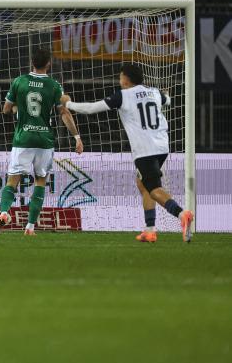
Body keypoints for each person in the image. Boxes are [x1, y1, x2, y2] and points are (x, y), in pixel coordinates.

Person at [62, 63, 193, 242]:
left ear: (125, 79)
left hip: (145, 149)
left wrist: (67, 103)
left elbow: (91, 109)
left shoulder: (123, 96)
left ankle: (181, 214)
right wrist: (166, 93)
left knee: (154, 189)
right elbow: (167, 99)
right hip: (162, 146)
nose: (119, 79)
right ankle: (149, 230)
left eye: (120, 76)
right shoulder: (154, 92)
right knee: (142, 183)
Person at [0, 49, 83, 237]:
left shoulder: (19, 81)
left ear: (32, 62)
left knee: (12, 180)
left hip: (23, 138)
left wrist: (18, 108)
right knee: (40, 181)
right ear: (48, 64)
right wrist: (77, 137)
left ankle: (5, 212)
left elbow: (6, 109)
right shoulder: (54, 85)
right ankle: (30, 227)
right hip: (44, 140)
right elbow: (64, 113)